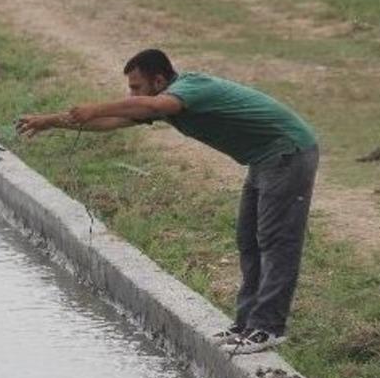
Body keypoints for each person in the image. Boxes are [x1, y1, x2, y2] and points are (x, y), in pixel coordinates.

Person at [16, 49, 319, 355]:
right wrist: (49, 121)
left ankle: (268, 328)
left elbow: (151, 105)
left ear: (159, 81)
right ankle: (245, 325)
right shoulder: (162, 102)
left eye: (136, 87)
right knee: (248, 240)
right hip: (264, 158)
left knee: (275, 242)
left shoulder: (189, 89)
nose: (132, 95)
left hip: (288, 152)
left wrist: (94, 107)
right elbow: (110, 121)